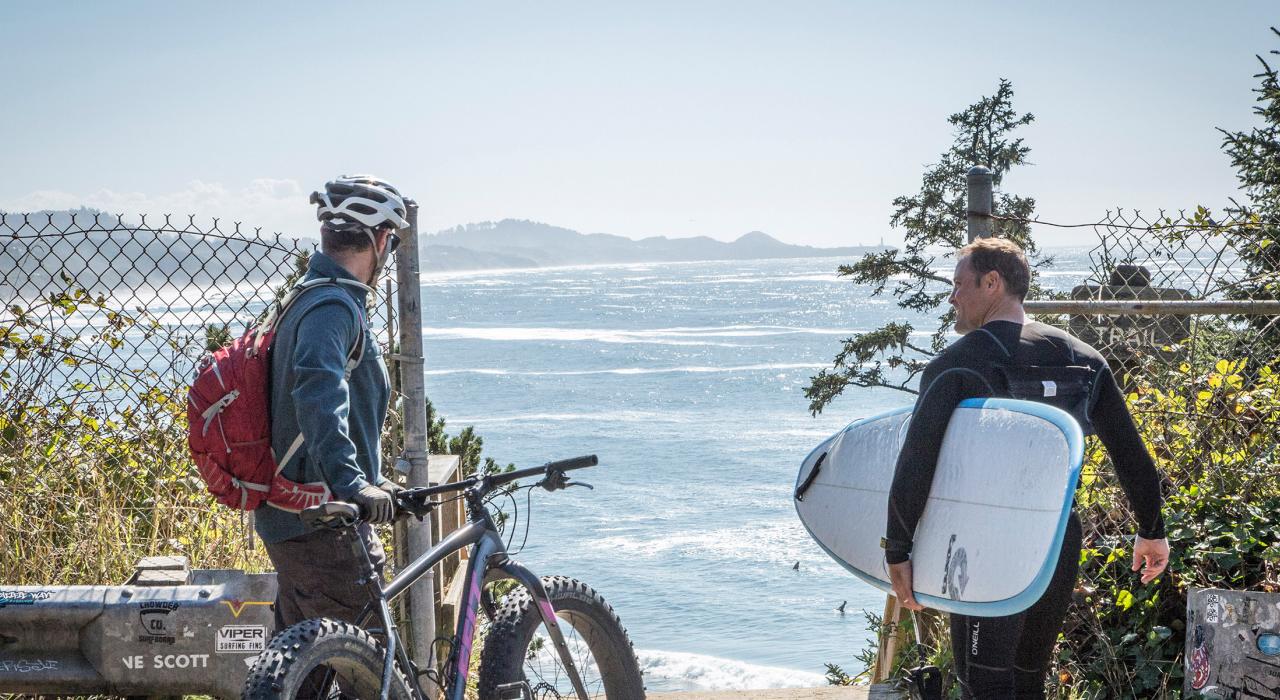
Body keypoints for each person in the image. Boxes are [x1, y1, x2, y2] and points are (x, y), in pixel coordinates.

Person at [882, 237, 1171, 699]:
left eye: (959, 284)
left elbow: (916, 461)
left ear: (992, 282)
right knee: (1027, 676)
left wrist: (897, 549)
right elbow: (1130, 452)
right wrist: (1152, 529)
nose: (953, 296)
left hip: (986, 543)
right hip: (1058, 537)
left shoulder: (957, 365)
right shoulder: (1083, 359)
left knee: (984, 684)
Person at [255, 174, 408, 633]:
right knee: (374, 669)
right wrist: (354, 485)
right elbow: (317, 396)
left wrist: (373, 480)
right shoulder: (333, 308)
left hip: (296, 520)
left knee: (305, 671)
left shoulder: (306, 297)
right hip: (324, 527)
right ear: (381, 241)